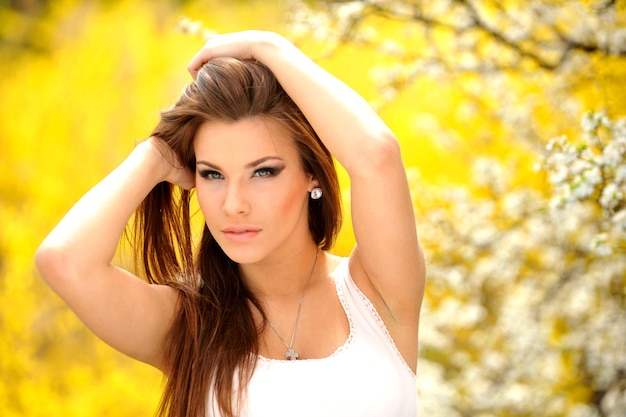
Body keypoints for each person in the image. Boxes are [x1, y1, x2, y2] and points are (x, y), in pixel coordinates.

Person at [35, 30, 425, 417]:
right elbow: (65, 262)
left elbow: (377, 155)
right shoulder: (189, 325)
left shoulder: (376, 294)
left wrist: (268, 47)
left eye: (264, 172)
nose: (234, 205)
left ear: (313, 176)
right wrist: (153, 155)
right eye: (213, 175)